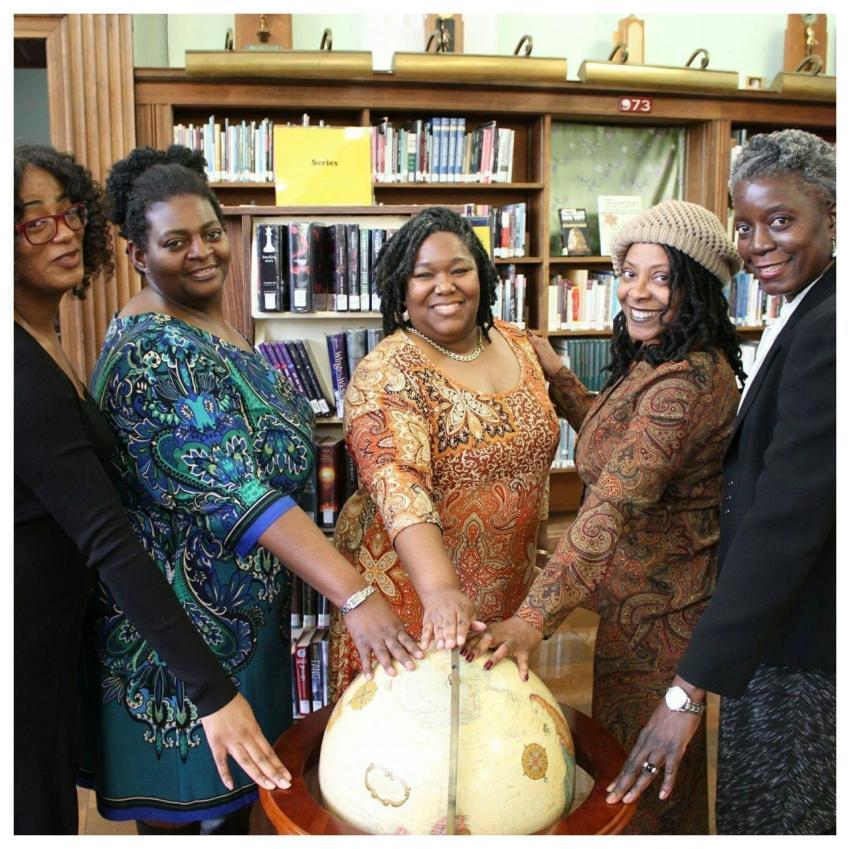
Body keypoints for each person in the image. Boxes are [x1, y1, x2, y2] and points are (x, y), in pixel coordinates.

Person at [79, 145, 423, 833]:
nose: (202, 252)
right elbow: (240, 490)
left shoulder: (211, 325)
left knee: (244, 815)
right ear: (137, 253)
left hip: (240, 630)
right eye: (175, 242)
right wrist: (354, 592)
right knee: (201, 824)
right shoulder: (155, 351)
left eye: (210, 233)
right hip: (184, 655)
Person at [13, 143, 292, 835]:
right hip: (30, 653)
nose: (64, 230)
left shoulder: (44, 336)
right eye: (32, 221)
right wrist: (211, 691)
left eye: (69, 211)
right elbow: (109, 536)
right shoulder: (31, 362)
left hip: (56, 643)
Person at [469, 200, 746, 834]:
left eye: (661, 277)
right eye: (628, 273)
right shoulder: (663, 360)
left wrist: (532, 620)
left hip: (661, 621)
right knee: (639, 781)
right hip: (633, 605)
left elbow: (613, 504)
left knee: (640, 790)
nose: (636, 293)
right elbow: (614, 434)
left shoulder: (685, 384)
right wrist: (559, 374)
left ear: (695, 286)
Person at [605, 130, 836, 835]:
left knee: (781, 813)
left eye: (782, 220)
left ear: (833, 212)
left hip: (801, 639)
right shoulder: (800, 305)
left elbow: (785, 520)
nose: (759, 242)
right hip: (763, 630)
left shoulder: (830, 326)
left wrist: (685, 691)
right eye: (745, 224)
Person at [328, 206, 559, 698]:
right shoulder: (387, 372)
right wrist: (440, 591)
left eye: (460, 270)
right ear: (400, 288)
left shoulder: (519, 344)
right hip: (413, 603)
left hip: (505, 591)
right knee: (413, 754)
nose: (445, 286)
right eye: (423, 275)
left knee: (493, 737)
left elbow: (535, 464)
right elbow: (399, 486)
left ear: (483, 274)